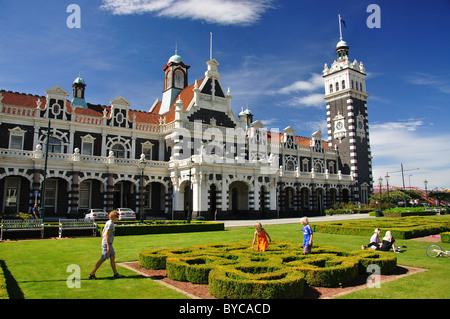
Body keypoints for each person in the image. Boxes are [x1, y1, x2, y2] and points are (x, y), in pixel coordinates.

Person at [89, 210, 125, 279]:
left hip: (107, 243)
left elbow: (103, 232)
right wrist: (107, 246)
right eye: (117, 216)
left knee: (112, 257)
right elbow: (106, 235)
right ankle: (92, 274)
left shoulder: (108, 222)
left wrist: (102, 242)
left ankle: (115, 274)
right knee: (103, 258)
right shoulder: (110, 224)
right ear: (114, 217)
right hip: (108, 243)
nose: (118, 218)